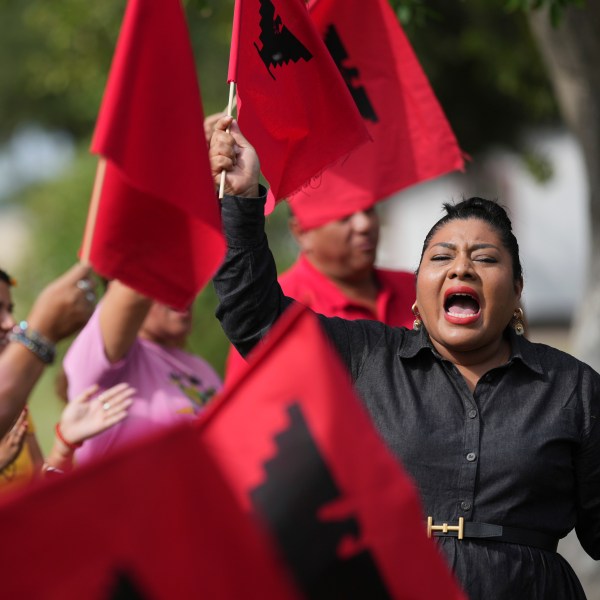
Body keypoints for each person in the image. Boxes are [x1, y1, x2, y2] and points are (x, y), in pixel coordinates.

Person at [209, 116, 599, 599]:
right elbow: (254, 317)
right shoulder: (366, 357)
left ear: (517, 291)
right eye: (440, 258)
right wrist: (242, 201)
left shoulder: (572, 388)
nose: (461, 266)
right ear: (416, 294)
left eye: (484, 258)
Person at [225, 204, 416, 380]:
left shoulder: (417, 287)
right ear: (301, 232)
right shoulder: (271, 311)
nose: (364, 225)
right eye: (344, 216)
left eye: (368, 210)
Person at [63, 279, 222, 465]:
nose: (183, 288)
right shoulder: (103, 360)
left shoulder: (200, 367)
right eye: (166, 280)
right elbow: (138, 274)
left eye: (185, 275)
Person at [0, 263, 96, 438]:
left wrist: (65, 445)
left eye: (9, 310)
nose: (10, 323)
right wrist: (41, 333)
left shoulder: (16, 407)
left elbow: (37, 466)